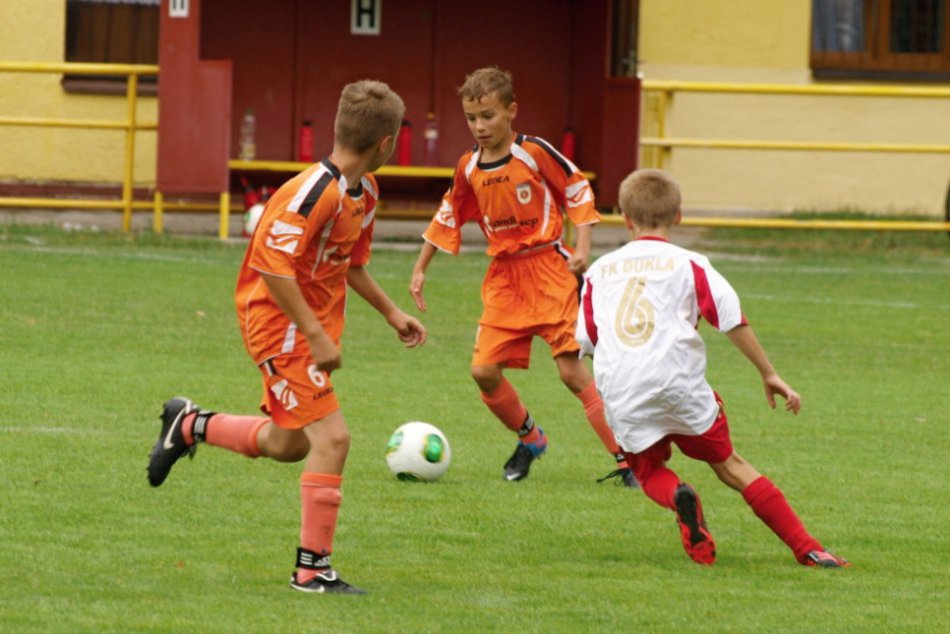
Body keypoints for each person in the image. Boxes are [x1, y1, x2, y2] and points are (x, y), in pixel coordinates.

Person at [147, 80, 427, 594]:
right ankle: (312, 569)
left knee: (290, 443)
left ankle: (191, 425)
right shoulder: (313, 191)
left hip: (304, 329)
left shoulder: (364, 192)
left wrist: (391, 312)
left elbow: (351, 264)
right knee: (334, 439)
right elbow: (271, 267)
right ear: (386, 143)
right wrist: (316, 334)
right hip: (278, 325)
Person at [576, 168, 849, 567]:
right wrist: (768, 373)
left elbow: (585, 338)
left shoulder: (600, 271)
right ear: (679, 215)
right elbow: (731, 318)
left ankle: (680, 497)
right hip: (680, 386)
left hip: (624, 388)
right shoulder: (691, 263)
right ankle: (807, 547)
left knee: (647, 469)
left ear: (625, 218)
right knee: (730, 465)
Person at [409, 66, 635, 486]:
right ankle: (531, 438)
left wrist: (582, 249)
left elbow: (577, 189)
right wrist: (421, 268)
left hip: (550, 269)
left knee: (571, 372)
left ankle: (627, 461)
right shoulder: (468, 167)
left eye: (488, 116)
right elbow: (448, 214)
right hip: (504, 280)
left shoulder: (534, 152)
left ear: (511, 111)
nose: (480, 126)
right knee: (483, 371)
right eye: (472, 118)